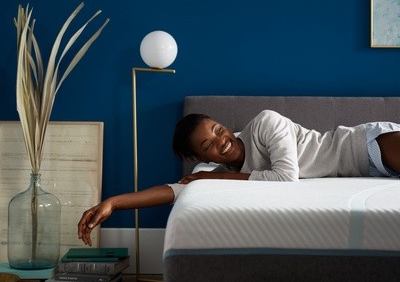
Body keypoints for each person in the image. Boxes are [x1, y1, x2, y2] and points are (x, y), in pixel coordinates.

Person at [78, 110, 400, 246]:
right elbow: (173, 190)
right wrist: (113, 202)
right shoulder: (215, 174)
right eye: (209, 145)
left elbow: (286, 177)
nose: (222, 141)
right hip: (368, 167)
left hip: (364, 146)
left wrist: (211, 180)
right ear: (204, 158)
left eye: (218, 130)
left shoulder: (265, 123)